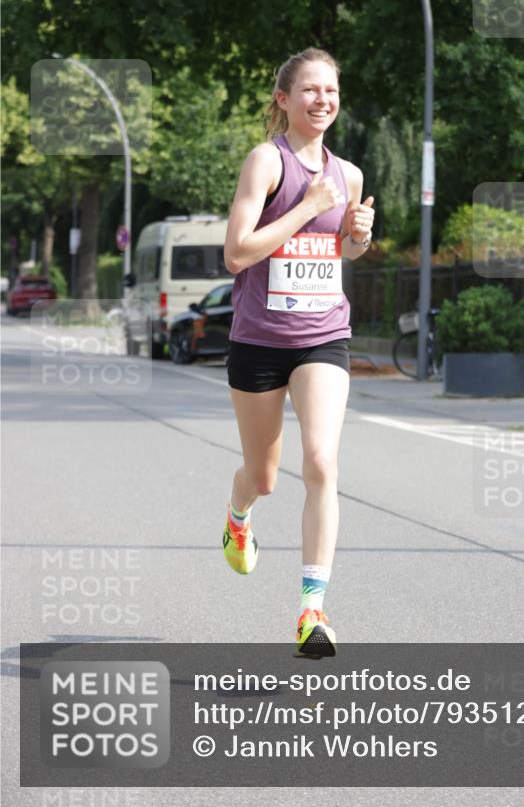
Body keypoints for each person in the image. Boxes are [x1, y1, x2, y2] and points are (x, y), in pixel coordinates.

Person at [222, 47, 375, 657]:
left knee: (321, 461)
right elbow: (237, 253)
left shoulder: (349, 174)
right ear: (284, 99)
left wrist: (357, 237)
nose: (322, 100)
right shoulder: (267, 162)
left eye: (330, 90)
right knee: (263, 476)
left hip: (323, 336)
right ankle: (238, 515)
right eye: (310, 90)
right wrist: (309, 206)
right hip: (259, 340)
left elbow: (341, 252)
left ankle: (312, 610)